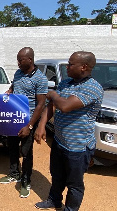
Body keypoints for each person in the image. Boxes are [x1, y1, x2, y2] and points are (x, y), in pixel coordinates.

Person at [34, 51, 104, 210]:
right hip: (60, 141)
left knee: (74, 184)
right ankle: (54, 200)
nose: (67, 66)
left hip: (78, 147)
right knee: (57, 175)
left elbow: (64, 106)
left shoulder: (93, 88)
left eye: (71, 64)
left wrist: (51, 94)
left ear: (84, 67)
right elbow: (51, 105)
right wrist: (41, 125)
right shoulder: (66, 83)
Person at [0, 47, 48, 198]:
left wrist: (30, 126)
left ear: (30, 60)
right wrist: (9, 91)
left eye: (21, 60)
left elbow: (40, 105)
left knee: (26, 152)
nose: (18, 63)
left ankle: (26, 181)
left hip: (28, 120)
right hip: (14, 117)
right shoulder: (18, 73)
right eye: (17, 60)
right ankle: (14, 173)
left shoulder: (40, 79)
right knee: (12, 147)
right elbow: (14, 86)